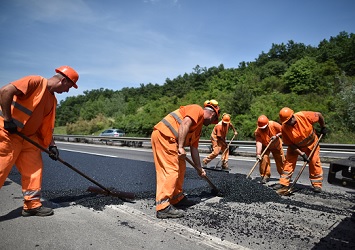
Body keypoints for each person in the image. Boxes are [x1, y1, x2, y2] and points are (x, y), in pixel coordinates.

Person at [0, 66, 79, 216]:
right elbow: (5, 91)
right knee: (1, 169)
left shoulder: (52, 100)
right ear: (63, 80)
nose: (68, 91)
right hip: (8, 134)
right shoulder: (35, 82)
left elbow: (46, 127)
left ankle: (32, 205)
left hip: (29, 139)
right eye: (69, 87)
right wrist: (8, 120)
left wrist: (52, 146)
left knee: (34, 170)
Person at [151, 99, 220, 219]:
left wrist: (199, 168)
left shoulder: (198, 128)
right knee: (170, 170)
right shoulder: (196, 109)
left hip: (173, 142)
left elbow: (194, 149)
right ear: (212, 114)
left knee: (181, 168)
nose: (211, 123)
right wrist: (181, 147)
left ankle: (176, 198)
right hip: (164, 136)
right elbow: (185, 123)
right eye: (213, 121)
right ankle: (163, 207)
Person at [273, 107, 327, 193]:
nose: (288, 123)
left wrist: (323, 127)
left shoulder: (303, 116)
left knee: (314, 162)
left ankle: (317, 185)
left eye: (289, 121)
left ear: (292, 116)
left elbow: (319, 115)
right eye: (286, 122)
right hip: (295, 147)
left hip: (312, 144)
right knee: (288, 163)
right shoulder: (284, 128)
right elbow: (290, 144)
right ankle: (283, 183)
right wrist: (302, 154)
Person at [254, 115, 285, 184]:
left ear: (267, 124)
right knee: (263, 159)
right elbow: (259, 142)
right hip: (265, 146)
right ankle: (265, 176)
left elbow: (284, 130)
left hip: (276, 145)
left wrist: (276, 136)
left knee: (280, 160)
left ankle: (284, 176)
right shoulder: (257, 131)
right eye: (261, 128)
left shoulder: (273, 124)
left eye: (264, 128)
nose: (263, 129)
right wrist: (258, 154)